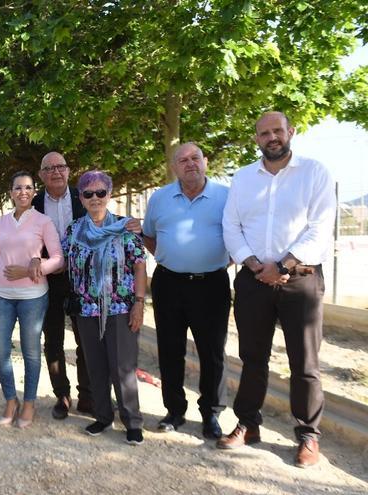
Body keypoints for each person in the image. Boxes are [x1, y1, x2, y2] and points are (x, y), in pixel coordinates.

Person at [218, 111, 335, 468]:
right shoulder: (243, 178)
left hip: (301, 279)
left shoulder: (314, 173)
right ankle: (248, 423)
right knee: (253, 358)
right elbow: (231, 225)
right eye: (264, 133)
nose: (272, 138)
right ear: (256, 138)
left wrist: (282, 265)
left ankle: (308, 434)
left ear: (290, 132)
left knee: (305, 363)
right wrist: (254, 264)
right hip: (254, 280)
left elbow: (319, 227)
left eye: (277, 131)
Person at [142, 142, 231, 439]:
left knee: (213, 352)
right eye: (182, 160)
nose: (190, 163)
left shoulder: (226, 197)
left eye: (195, 158)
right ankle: (175, 410)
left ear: (205, 161)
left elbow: (237, 239)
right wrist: (173, 257)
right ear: (174, 167)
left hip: (212, 286)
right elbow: (150, 238)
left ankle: (211, 414)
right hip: (169, 284)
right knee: (169, 350)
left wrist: (211, 261)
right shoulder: (159, 198)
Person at [62, 170, 147, 445]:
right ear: (81, 198)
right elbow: (60, 260)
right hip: (86, 310)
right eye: (88, 193)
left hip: (121, 308)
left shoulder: (126, 228)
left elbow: (139, 265)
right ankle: (103, 416)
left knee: (123, 367)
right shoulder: (74, 230)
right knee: (95, 365)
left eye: (101, 192)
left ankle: (132, 421)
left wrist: (139, 304)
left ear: (109, 195)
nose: (95, 198)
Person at [0, 171, 63, 428]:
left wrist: (29, 270)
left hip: (33, 297)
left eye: (28, 187)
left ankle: (29, 403)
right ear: (11, 192)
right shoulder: (1, 222)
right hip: (1, 296)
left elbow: (58, 258)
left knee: (30, 352)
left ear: (34, 192)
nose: (23, 192)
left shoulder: (43, 222)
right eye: (18, 188)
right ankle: (10, 399)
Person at [32, 152, 92, 418]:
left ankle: (88, 396)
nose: (56, 172)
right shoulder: (32, 205)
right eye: (49, 168)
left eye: (61, 167)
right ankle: (62, 395)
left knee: (87, 340)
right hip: (48, 280)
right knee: (53, 339)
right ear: (41, 175)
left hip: (83, 280)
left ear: (69, 171)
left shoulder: (86, 197)